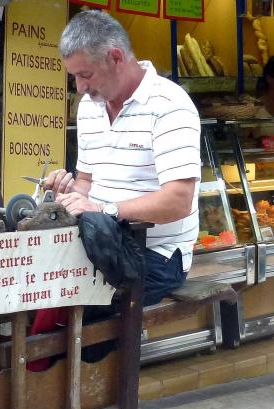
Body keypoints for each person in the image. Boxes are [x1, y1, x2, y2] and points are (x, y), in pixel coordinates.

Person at [43, 10, 201, 306]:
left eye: (85, 75)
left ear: (115, 57)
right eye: (74, 77)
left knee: (74, 309)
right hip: (102, 244)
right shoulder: (90, 107)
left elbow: (179, 200)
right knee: (36, 293)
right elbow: (87, 184)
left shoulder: (170, 105)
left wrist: (106, 209)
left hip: (156, 256)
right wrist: (66, 194)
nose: (79, 87)